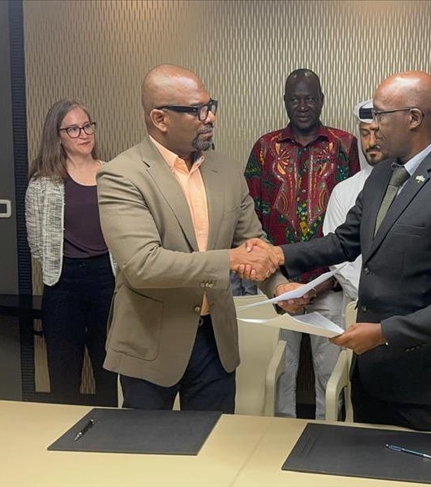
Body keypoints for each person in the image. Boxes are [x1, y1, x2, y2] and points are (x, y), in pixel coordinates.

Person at [249, 71, 431, 432]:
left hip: (424, 381)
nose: (372, 125)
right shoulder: (383, 174)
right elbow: (344, 241)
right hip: (373, 372)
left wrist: (383, 333)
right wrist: (278, 255)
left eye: (380, 114)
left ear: (413, 118)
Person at [96, 64, 303, 413]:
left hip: (214, 343)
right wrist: (230, 259)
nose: (210, 118)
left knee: (215, 440)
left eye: (210, 106)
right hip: (151, 343)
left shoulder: (226, 171)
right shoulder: (122, 176)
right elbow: (143, 265)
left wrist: (280, 288)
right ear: (160, 119)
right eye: (197, 110)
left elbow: (252, 242)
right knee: (147, 445)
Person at [243, 68, 360, 420]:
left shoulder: (345, 146)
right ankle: (278, 440)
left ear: (321, 100)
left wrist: (328, 279)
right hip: (279, 286)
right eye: (295, 99)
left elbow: (357, 217)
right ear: (285, 102)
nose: (303, 106)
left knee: (332, 376)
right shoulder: (265, 148)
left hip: (331, 283)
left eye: (310, 98)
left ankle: (330, 439)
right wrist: (275, 280)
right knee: (279, 374)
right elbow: (251, 218)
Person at [25, 99, 118, 406]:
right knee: (64, 372)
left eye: (87, 126)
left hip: (108, 279)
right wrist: (60, 264)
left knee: (110, 368)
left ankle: (113, 428)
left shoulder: (113, 175)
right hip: (63, 282)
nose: (84, 134)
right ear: (58, 136)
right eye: (74, 129)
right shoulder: (44, 182)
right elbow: (36, 241)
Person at [323, 99, 387, 314]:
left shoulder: (413, 185)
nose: (371, 142)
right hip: (355, 306)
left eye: (377, 133)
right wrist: (367, 297)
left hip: (404, 312)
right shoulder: (344, 191)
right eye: (365, 134)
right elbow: (337, 256)